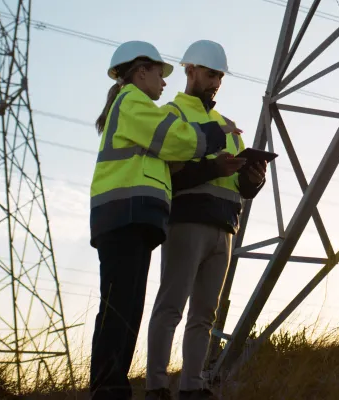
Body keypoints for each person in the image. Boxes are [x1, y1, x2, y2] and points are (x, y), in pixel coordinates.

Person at [88, 40, 240, 400]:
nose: (164, 81)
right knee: (120, 309)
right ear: (141, 72)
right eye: (160, 73)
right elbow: (174, 142)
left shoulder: (136, 106)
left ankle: (115, 387)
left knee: (125, 309)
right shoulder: (133, 102)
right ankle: (111, 389)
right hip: (125, 214)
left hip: (135, 217)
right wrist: (216, 137)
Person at [144, 40, 267, 400]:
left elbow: (236, 184)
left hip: (225, 228)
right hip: (186, 223)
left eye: (220, 77)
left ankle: (192, 386)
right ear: (190, 71)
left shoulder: (224, 125)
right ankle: (155, 386)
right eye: (211, 74)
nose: (216, 82)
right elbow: (172, 174)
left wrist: (251, 179)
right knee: (171, 306)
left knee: (205, 316)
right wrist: (214, 166)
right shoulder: (172, 115)